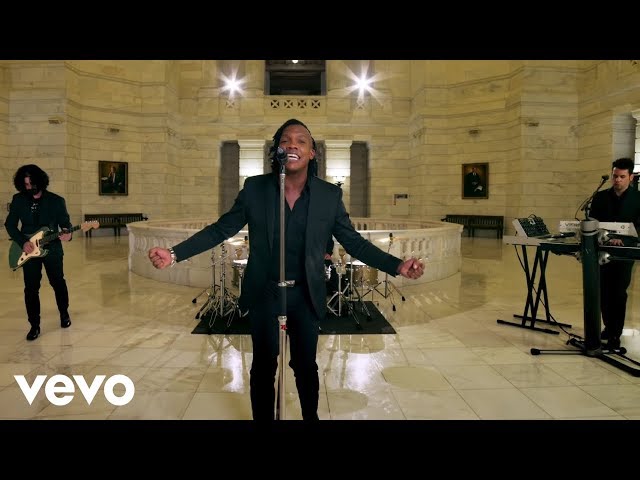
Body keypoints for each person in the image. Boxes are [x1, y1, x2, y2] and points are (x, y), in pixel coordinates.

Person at [148, 118, 424, 420]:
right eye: (285, 140)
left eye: (301, 140)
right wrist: (174, 254)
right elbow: (220, 229)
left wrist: (397, 265)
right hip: (265, 293)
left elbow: (355, 243)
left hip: (306, 294)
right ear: (277, 150)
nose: (292, 144)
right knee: (263, 367)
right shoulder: (255, 189)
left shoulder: (328, 195)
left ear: (311, 153)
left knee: (306, 366)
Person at [4, 165, 73, 341]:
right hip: (28, 250)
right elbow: (10, 225)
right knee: (31, 288)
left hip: (52, 249)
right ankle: (34, 325)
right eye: (26, 184)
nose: (29, 187)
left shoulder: (56, 201)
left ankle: (64, 313)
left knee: (58, 282)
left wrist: (68, 234)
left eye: (32, 184)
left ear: (41, 182)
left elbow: (66, 225)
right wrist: (23, 242)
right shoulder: (18, 199)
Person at [589, 157, 640, 349]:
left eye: (622, 177)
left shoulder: (638, 199)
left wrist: (624, 240)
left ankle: (615, 334)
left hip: (625, 253)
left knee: (618, 293)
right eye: (615, 176)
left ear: (631, 177)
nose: (617, 180)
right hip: (603, 250)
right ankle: (608, 326)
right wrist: (604, 237)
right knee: (603, 291)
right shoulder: (600, 197)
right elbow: (593, 221)